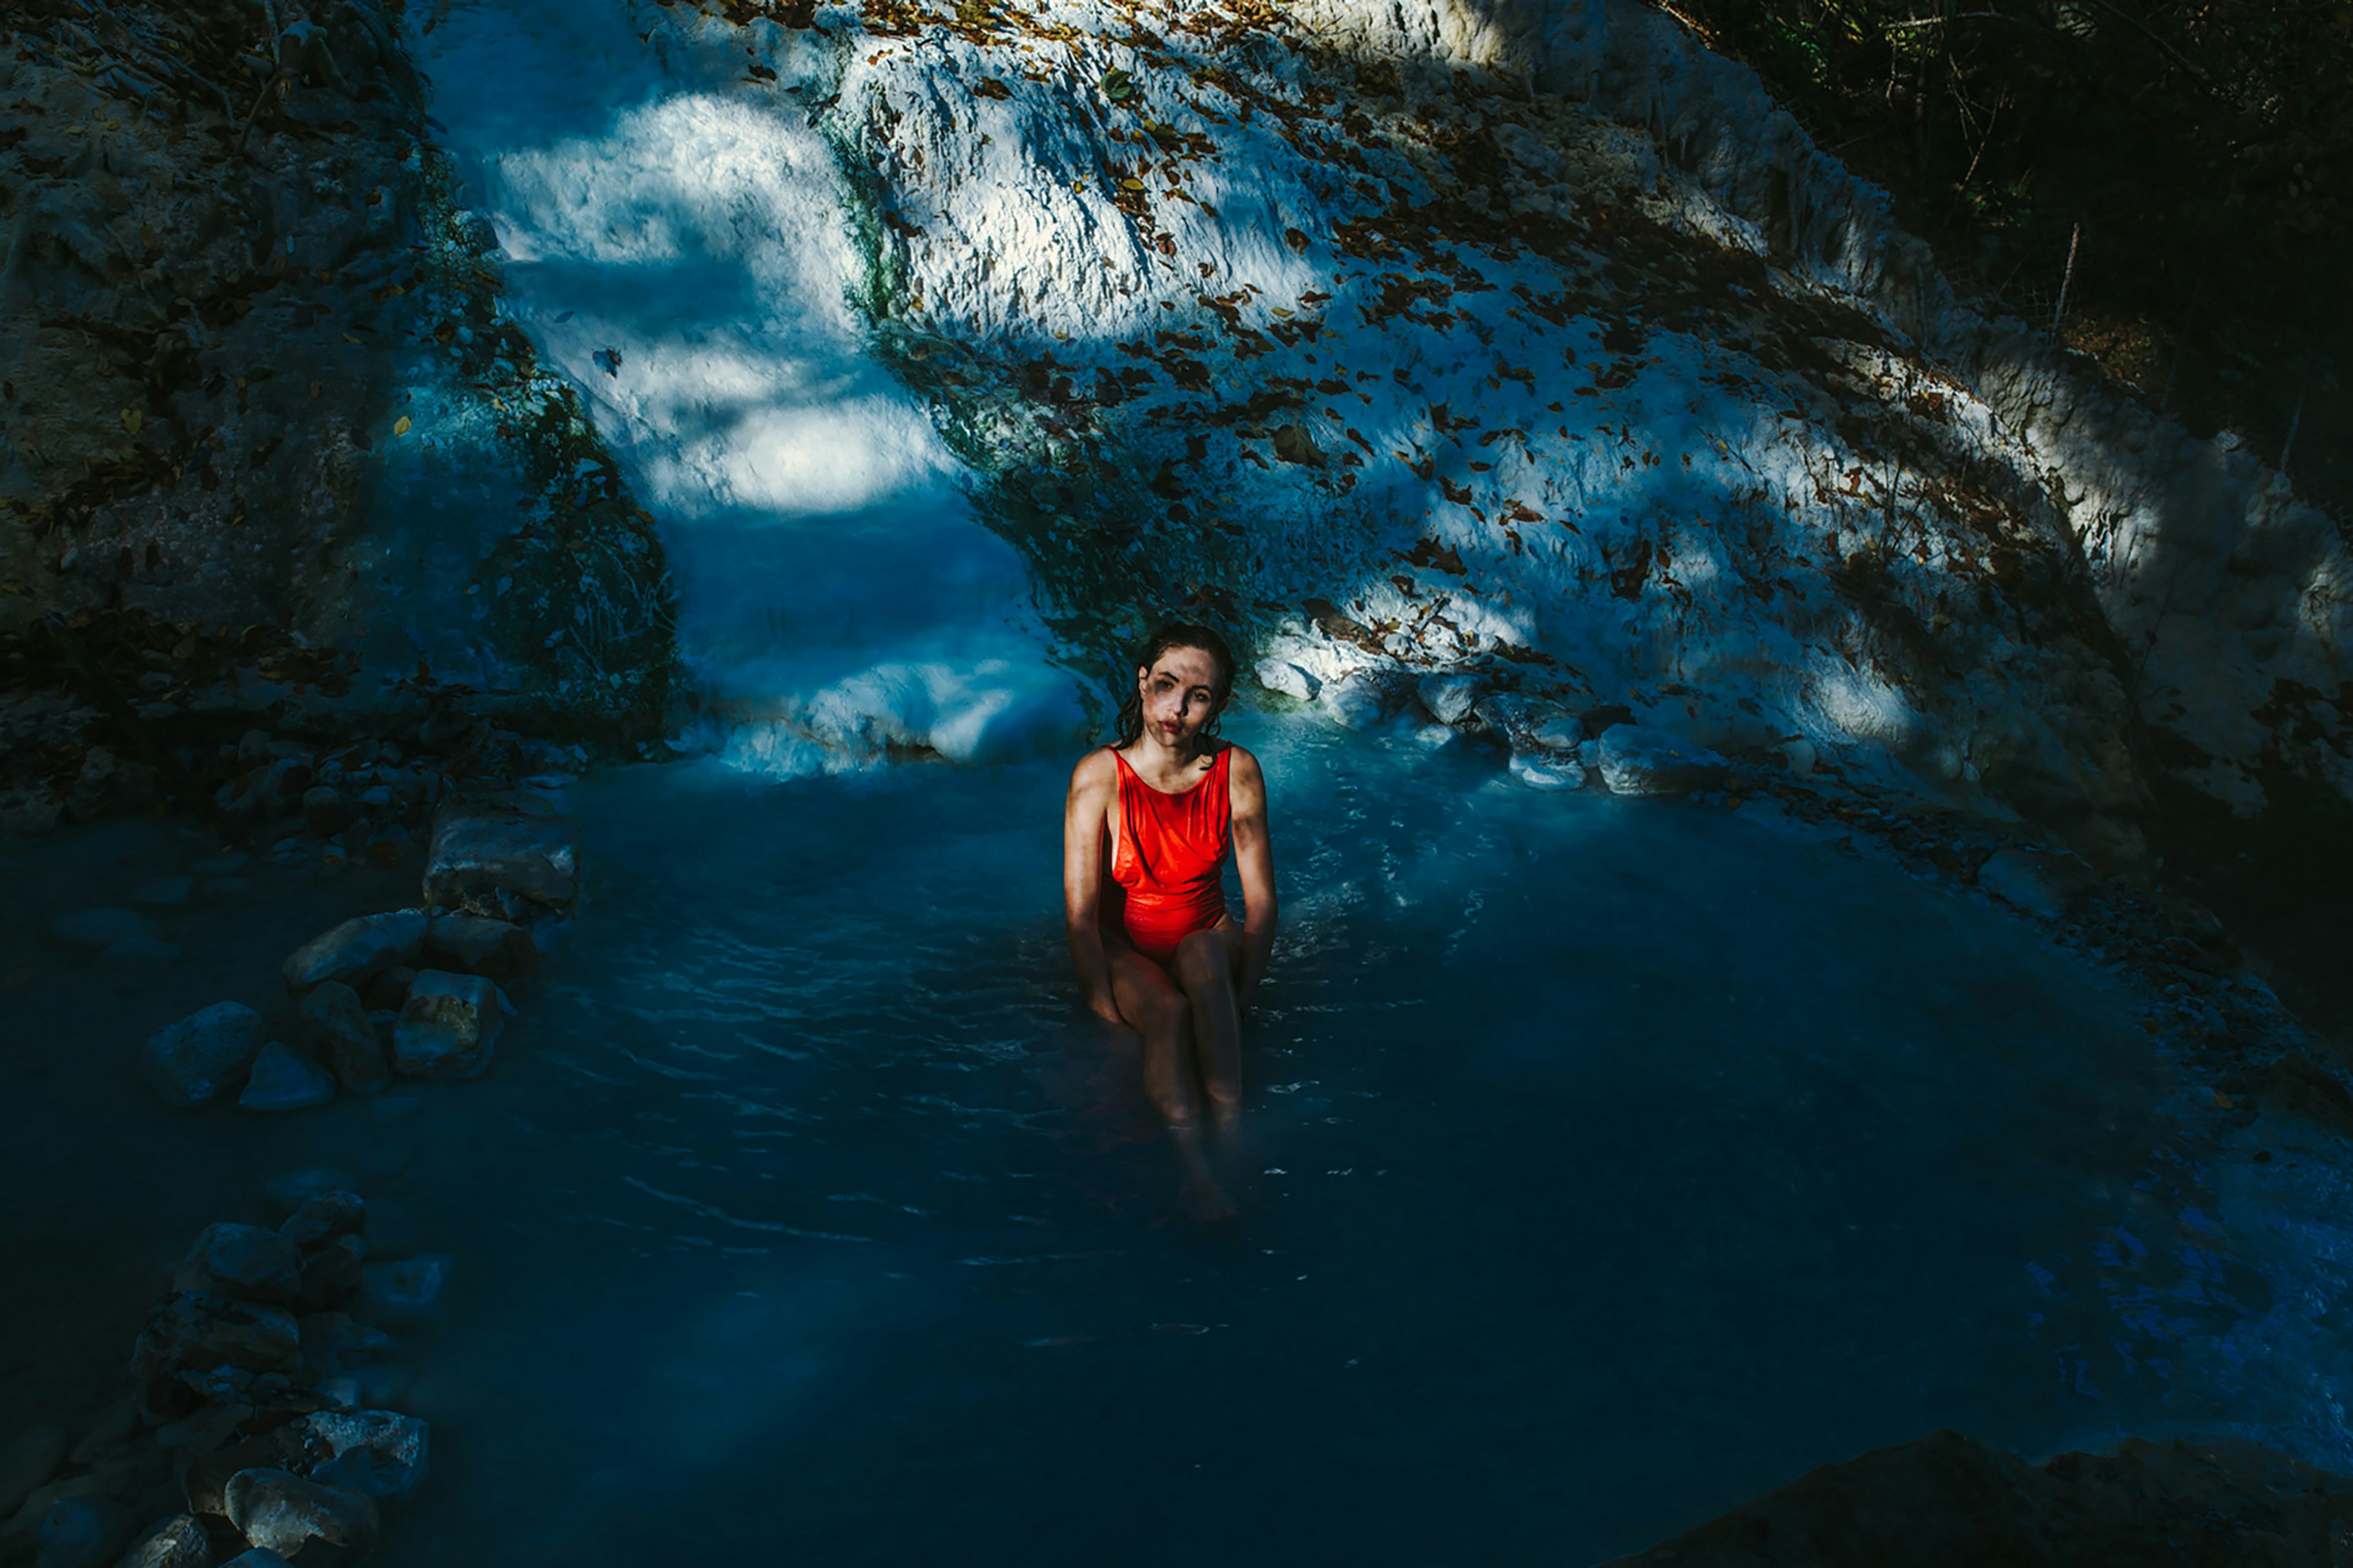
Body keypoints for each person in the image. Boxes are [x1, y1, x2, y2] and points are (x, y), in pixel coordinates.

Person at [1063, 623, 1277, 1176]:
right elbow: (1081, 919)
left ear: (1218, 704)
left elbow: (1262, 904)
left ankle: (1231, 1138)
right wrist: (1107, 1017)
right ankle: (1193, 1170)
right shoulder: (1097, 777)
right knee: (1168, 1012)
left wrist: (1242, 1001)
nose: (1176, 707)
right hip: (1125, 950)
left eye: (1198, 695)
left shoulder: (1237, 772)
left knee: (1203, 959)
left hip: (1209, 938)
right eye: (1165, 684)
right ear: (1141, 682)